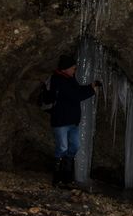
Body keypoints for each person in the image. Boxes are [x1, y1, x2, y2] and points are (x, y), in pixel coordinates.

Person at [40, 53, 102, 188]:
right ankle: (57, 179)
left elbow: (77, 90)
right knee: (62, 148)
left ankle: (67, 177)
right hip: (61, 121)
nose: (75, 69)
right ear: (66, 68)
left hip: (73, 121)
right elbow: (75, 95)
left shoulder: (69, 79)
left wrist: (90, 86)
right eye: (73, 67)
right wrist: (91, 91)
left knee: (74, 146)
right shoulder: (58, 80)